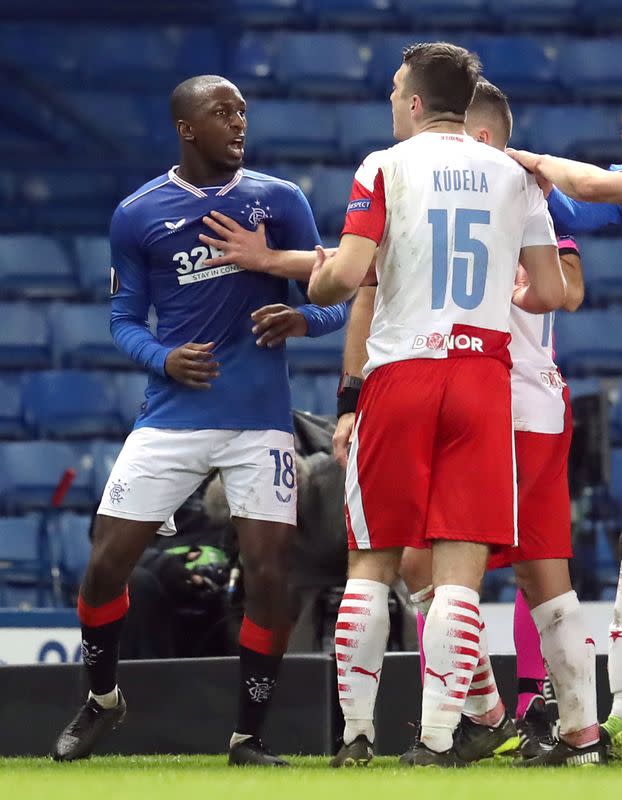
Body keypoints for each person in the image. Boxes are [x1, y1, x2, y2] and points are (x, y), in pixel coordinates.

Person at [201, 44, 567, 767]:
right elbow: (552, 293)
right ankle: (436, 742)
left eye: (396, 89)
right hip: (482, 376)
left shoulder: (383, 167)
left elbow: (344, 279)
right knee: (461, 569)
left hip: (402, 376)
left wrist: (315, 282)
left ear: (412, 102)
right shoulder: (515, 174)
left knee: (373, 562)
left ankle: (358, 737)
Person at [52, 74, 347, 767]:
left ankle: (249, 736)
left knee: (272, 573)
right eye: (223, 113)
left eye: (243, 111)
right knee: (105, 566)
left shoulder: (281, 201)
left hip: (259, 422)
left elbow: (335, 294)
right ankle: (102, 700)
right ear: (186, 127)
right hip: (173, 415)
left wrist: (304, 319)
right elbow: (124, 319)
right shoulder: (138, 213)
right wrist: (163, 359)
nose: (239, 122)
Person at [329, 79, 598, 768]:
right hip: (513, 397)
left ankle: (454, 721)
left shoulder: (402, 172)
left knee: (415, 562)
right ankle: (567, 733)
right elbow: (562, 290)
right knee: (534, 574)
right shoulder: (524, 184)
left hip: (474, 388)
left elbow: (359, 283)